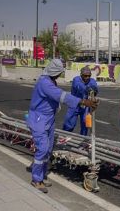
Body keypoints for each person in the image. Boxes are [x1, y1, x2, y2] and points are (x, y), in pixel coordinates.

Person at [27, 59, 98, 193]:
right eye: (59, 72)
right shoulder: (45, 82)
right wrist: (83, 101)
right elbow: (61, 95)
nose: (60, 74)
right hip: (39, 120)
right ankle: (36, 179)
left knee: (48, 150)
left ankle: (41, 176)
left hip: (49, 119)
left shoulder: (50, 80)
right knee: (42, 149)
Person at [62, 66, 98, 135]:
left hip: (86, 106)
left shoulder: (92, 80)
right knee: (69, 124)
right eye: (85, 76)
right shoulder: (76, 79)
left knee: (85, 123)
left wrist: (94, 90)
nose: (87, 77)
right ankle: (64, 136)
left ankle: (83, 138)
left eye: (89, 75)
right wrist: (88, 89)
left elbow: (94, 86)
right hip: (75, 104)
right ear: (81, 75)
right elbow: (79, 86)